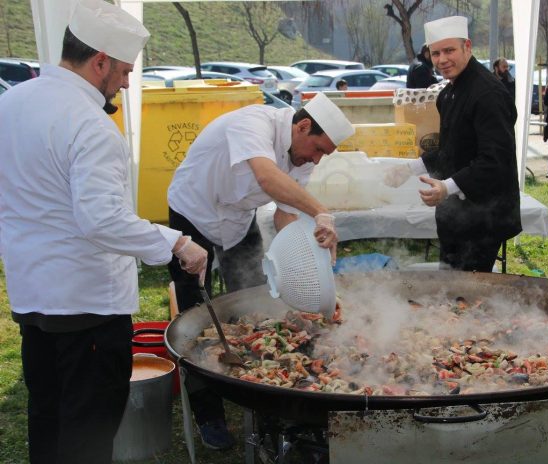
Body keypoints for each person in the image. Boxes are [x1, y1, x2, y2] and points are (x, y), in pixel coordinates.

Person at [0, 1, 208, 463]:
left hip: (33, 299)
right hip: (86, 307)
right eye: (125, 71)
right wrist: (175, 241)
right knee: (88, 433)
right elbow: (100, 220)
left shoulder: (10, 103)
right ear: (99, 62)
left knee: (49, 418)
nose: (126, 82)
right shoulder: (91, 124)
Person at [167, 91, 354, 449]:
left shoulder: (303, 155)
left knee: (254, 304)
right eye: (317, 149)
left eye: (322, 155)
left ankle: (263, 387)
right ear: (302, 126)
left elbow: (285, 212)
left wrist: (307, 255)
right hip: (193, 214)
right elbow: (268, 178)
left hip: (237, 221)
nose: (315, 159)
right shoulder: (253, 123)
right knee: (196, 313)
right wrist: (320, 212)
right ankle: (210, 416)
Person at [384, 16, 521, 272]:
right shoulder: (447, 94)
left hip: (484, 217)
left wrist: (447, 187)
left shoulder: (488, 94)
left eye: (449, 50)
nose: (442, 59)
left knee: (468, 293)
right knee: (450, 287)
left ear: (467, 47)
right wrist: (410, 169)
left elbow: (495, 160)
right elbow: (450, 149)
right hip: (456, 216)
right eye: (436, 53)